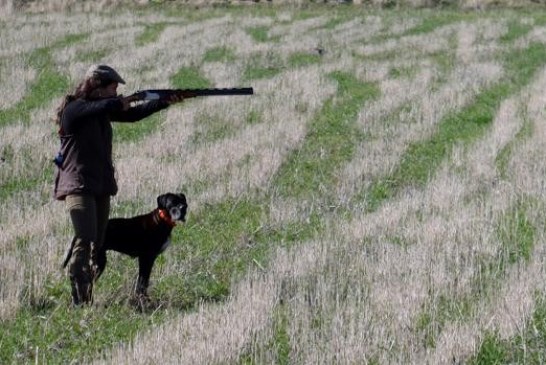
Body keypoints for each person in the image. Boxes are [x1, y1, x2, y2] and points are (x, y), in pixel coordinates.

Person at [53, 64, 183, 305]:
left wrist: (165, 101)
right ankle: (78, 296)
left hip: (100, 185)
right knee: (85, 236)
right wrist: (125, 100)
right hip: (78, 184)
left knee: (98, 242)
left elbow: (133, 114)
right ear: (97, 88)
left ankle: (87, 293)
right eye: (112, 88)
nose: (115, 93)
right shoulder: (74, 110)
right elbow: (107, 106)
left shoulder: (100, 110)